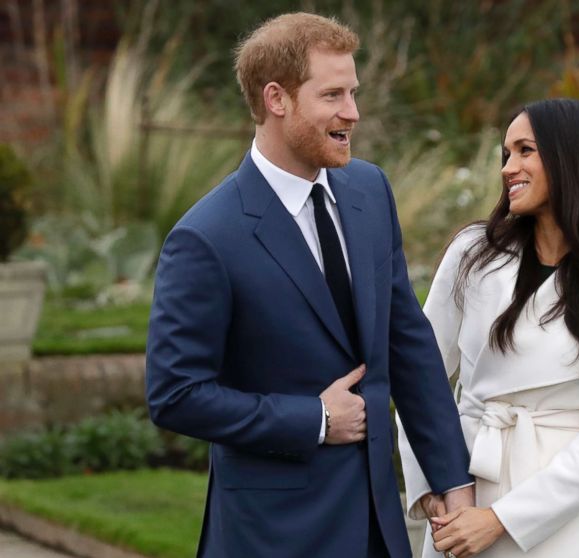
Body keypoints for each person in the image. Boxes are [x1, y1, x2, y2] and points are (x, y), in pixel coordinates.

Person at [145, 13, 473, 558]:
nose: (353, 112)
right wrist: (314, 420)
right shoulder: (206, 237)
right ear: (277, 99)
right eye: (333, 95)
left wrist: (452, 480)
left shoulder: (370, 190)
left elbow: (407, 343)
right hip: (272, 535)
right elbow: (175, 394)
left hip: (376, 529)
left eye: (354, 92)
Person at [397, 98, 579, 558]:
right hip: (463, 494)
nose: (508, 168)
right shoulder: (472, 254)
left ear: (572, 160)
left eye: (526, 150)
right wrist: (433, 486)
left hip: (567, 518)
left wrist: (502, 519)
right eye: (507, 153)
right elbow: (417, 375)